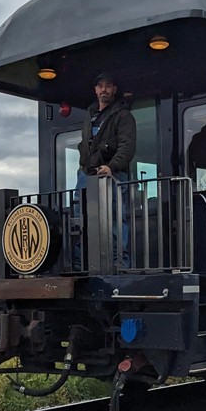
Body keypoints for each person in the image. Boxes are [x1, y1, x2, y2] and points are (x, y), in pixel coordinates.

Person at [75, 72, 137, 267]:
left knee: (116, 219)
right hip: (87, 175)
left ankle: (120, 263)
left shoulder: (123, 115)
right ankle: (80, 263)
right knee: (79, 218)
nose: (104, 89)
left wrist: (111, 167)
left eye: (108, 86)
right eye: (100, 86)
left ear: (114, 89)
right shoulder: (90, 115)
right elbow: (85, 144)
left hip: (114, 175)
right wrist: (82, 166)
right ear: (95, 90)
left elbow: (127, 147)